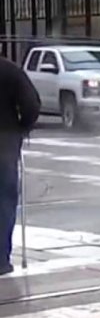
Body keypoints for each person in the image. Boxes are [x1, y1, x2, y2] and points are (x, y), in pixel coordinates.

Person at [0, 55, 40, 276]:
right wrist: (21, 128)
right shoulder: (11, 70)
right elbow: (31, 105)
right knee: (4, 202)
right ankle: (0, 260)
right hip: (4, 145)